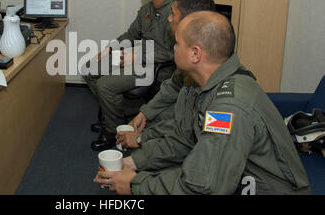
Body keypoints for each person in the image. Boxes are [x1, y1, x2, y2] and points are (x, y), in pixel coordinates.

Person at [94, 11, 311, 195]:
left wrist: (136, 185)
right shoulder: (203, 85)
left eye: (177, 43)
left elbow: (202, 186)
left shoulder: (228, 108)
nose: (174, 50)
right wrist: (134, 163)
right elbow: (184, 141)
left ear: (195, 54)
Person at [84, 0, 177, 151]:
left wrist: (141, 57)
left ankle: (113, 131)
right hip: (135, 59)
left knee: (105, 85)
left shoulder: (175, 12)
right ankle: (116, 120)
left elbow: (174, 53)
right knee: (90, 69)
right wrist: (109, 50)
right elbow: (131, 35)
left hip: (158, 69)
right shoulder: (147, 9)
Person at [116, 0, 216, 150]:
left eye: (173, 14)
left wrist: (141, 142)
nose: (169, 18)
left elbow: (203, 163)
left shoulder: (223, 104)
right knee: (152, 120)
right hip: (189, 130)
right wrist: (144, 113)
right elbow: (173, 86)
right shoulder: (194, 59)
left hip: (204, 156)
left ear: (189, 23)